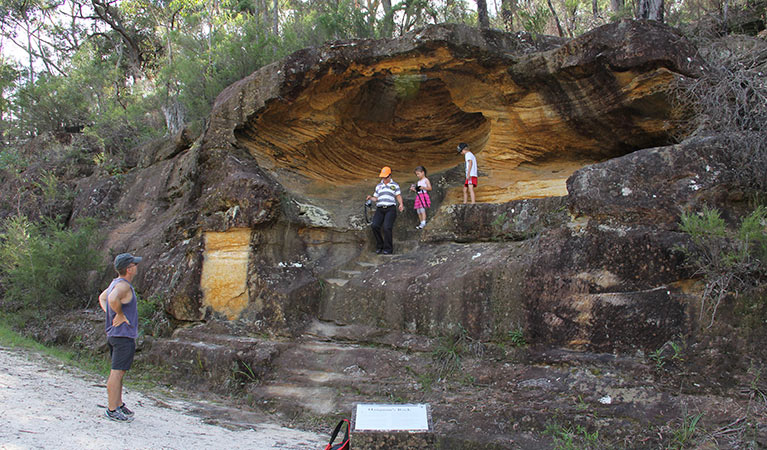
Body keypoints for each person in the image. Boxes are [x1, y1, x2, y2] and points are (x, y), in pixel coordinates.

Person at [98, 252, 142, 422]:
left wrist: (111, 313)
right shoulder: (123, 286)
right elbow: (111, 298)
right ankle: (112, 409)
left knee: (119, 371)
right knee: (116, 373)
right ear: (129, 269)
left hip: (115, 335)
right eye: (134, 265)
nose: (137, 267)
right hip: (123, 336)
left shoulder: (115, 283)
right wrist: (119, 314)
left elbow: (103, 297)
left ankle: (118, 404)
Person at [366, 166, 404, 254]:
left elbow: (398, 195)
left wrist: (401, 204)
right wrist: (371, 198)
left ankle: (388, 249)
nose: (384, 179)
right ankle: (380, 245)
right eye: (383, 177)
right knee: (374, 225)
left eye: (385, 177)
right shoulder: (379, 186)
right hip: (380, 208)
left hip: (390, 208)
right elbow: (376, 198)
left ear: (390, 176)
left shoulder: (394, 185)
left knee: (387, 227)